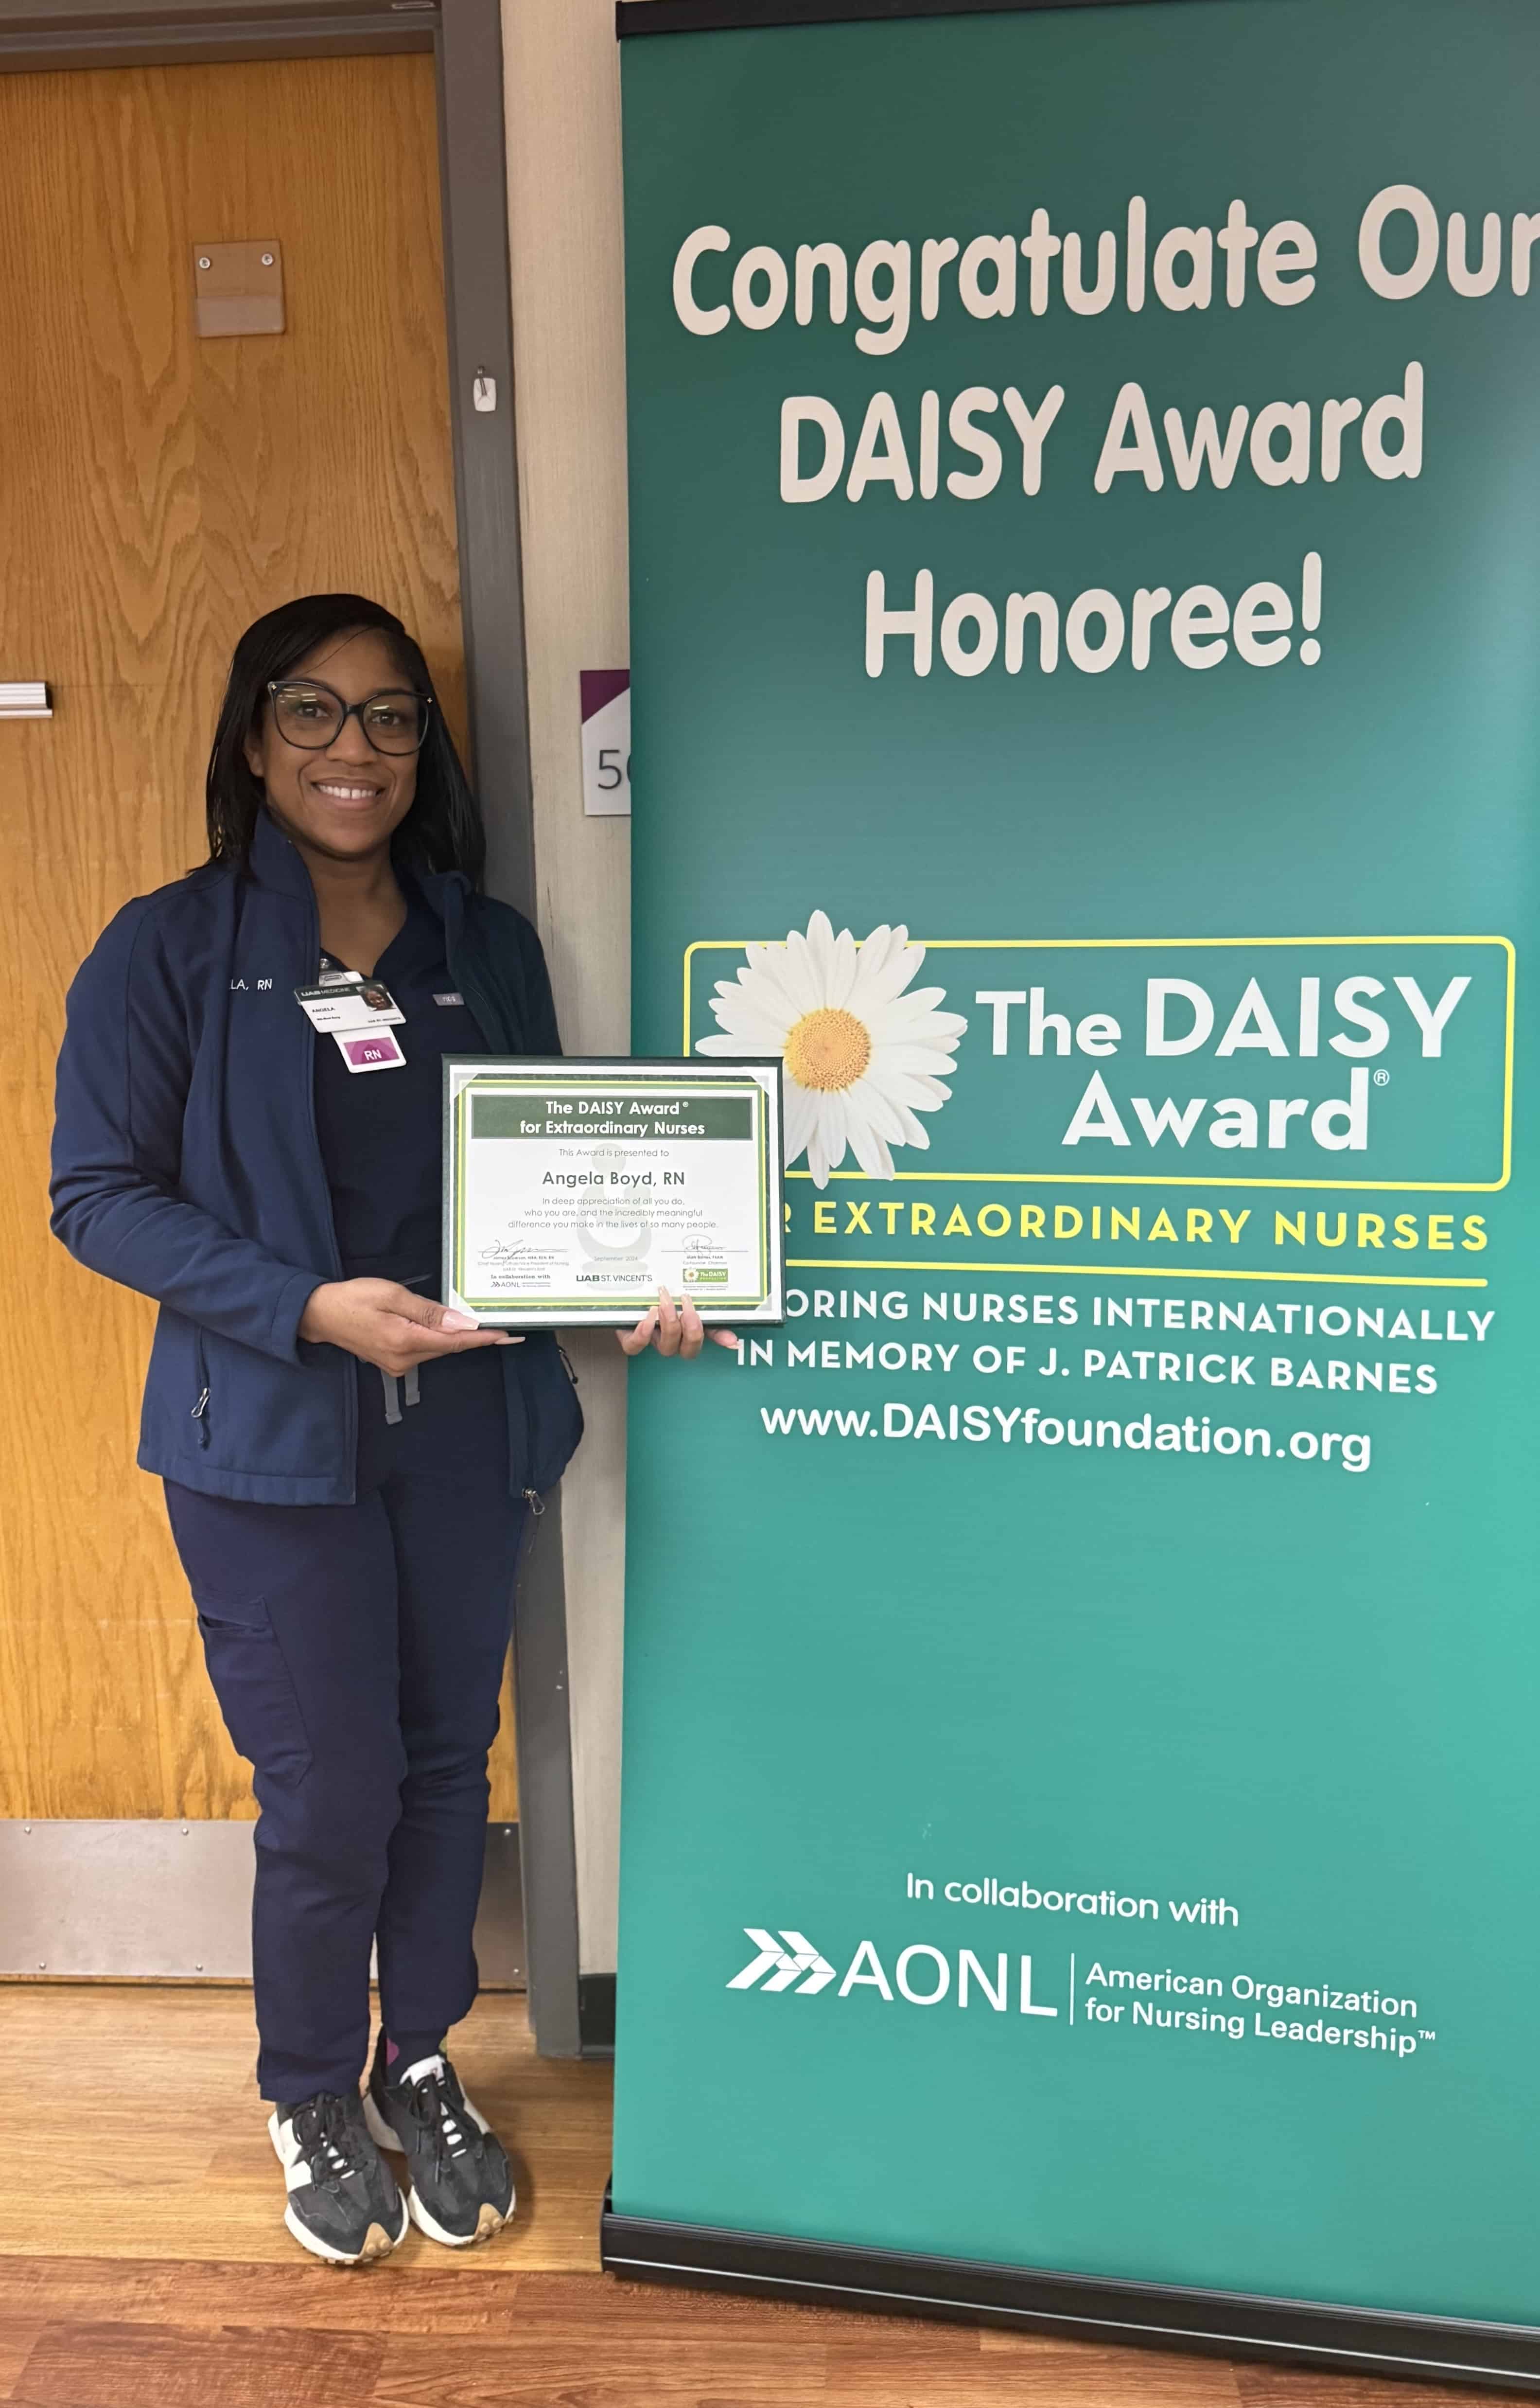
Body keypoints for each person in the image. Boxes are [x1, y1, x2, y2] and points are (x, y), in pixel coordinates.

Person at [50, 595, 732, 2266]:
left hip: (465, 1432)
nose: (353, 751)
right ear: (252, 734)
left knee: (443, 1767)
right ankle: (306, 2088)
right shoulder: (168, 946)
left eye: (390, 718)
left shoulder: (480, 945)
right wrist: (304, 1304)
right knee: (328, 1783)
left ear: (425, 749)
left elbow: (564, 1170)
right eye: (313, 711)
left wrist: (651, 1278)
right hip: (270, 1441)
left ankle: (416, 2055)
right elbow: (95, 1196)